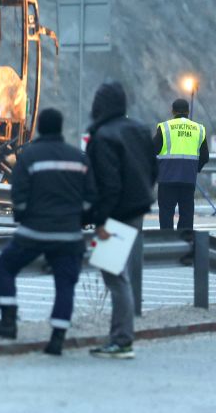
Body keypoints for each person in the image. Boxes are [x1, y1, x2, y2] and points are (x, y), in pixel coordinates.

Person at [0, 109, 95, 356]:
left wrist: (23, 218)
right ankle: (57, 338)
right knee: (65, 285)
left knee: (5, 267)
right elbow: (90, 198)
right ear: (61, 127)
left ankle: (8, 322)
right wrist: (79, 221)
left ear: (40, 127)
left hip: (34, 232)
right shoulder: (78, 159)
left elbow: (18, 195)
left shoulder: (30, 157)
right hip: (68, 236)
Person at [85, 81, 157, 359]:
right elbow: (152, 169)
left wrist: (101, 220)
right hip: (137, 209)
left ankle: (122, 340)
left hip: (117, 213)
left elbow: (109, 184)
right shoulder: (139, 129)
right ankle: (119, 337)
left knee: (114, 275)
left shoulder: (103, 136)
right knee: (116, 272)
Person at [153, 98, 208, 230]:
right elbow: (205, 156)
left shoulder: (165, 127)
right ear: (188, 111)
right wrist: (195, 168)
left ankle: (168, 244)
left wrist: (158, 170)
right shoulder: (199, 129)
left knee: (166, 214)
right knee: (187, 215)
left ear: (173, 111)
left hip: (167, 179)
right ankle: (185, 245)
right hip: (188, 179)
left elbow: (152, 151)